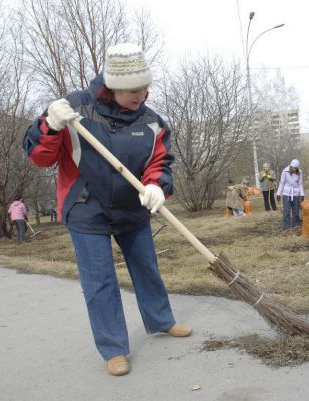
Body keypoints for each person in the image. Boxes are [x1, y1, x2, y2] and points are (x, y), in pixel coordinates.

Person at [22, 43, 191, 376]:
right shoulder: (73, 108)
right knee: (100, 281)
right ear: (112, 85)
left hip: (132, 209)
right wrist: (50, 125)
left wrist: (157, 184)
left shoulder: (152, 122)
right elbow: (40, 157)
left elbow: (160, 162)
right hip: (86, 208)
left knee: (146, 267)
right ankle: (113, 347)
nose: (141, 96)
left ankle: (160, 320)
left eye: (145, 88)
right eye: (133, 90)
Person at [276, 159, 305, 229]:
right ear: (290, 166)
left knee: (296, 210)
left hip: (296, 193)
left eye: (296, 168)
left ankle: (296, 224)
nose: (294, 169)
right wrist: (278, 193)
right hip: (286, 193)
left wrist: (302, 194)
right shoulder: (285, 171)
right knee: (286, 210)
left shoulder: (299, 172)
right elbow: (282, 183)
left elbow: (300, 184)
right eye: (293, 168)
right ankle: (286, 226)